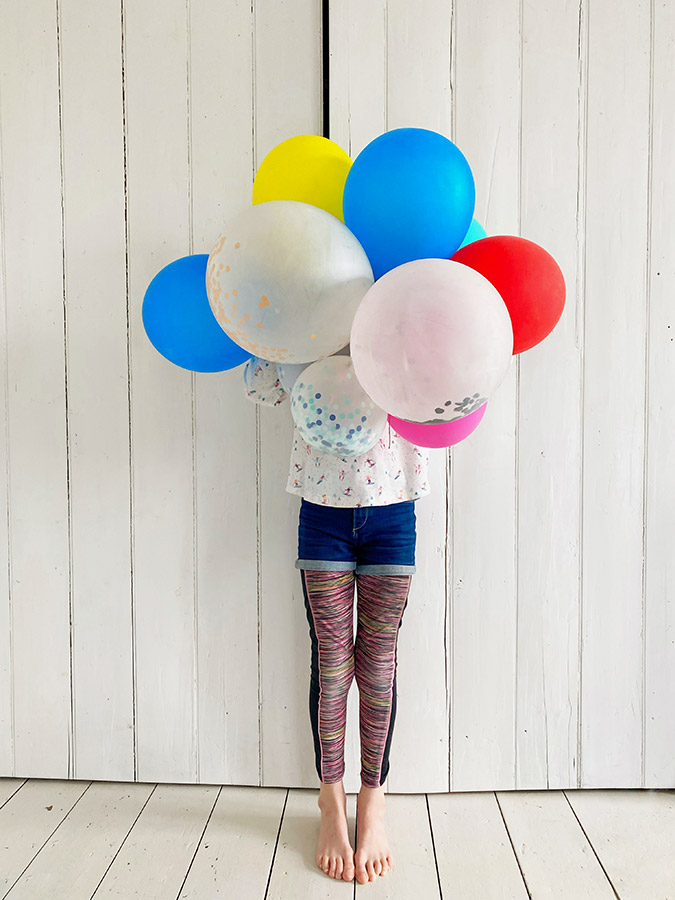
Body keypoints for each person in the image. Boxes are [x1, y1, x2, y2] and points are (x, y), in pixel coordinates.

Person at [244, 353, 430, 884]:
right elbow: (261, 387)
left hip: (394, 505)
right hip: (323, 510)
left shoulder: (401, 314)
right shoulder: (306, 318)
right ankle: (331, 798)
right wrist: (277, 343)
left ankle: (374, 800)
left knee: (377, 663)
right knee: (332, 664)